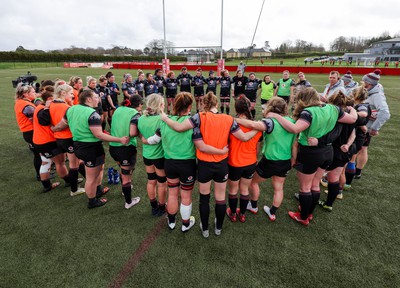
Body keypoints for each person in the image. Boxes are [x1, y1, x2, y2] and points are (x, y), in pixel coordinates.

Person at [160, 92, 258, 238]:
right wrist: (258, 128)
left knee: (204, 198)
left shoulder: (199, 117)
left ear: (204, 104)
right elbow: (243, 137)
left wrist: (164, 117)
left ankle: (205, 229)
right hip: (222, 165)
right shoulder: (228, 118)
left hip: (205, 165)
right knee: (220, 198)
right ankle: (218, 227)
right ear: (217, 104)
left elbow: (179, 127)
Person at [267, 87, 357, 225]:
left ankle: (303, 217)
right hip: (327, 151)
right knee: (315, 184)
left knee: (305, 187)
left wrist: (276, 116)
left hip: (310, 153)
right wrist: (352, 109)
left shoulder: (308, 112)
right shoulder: (334, 109)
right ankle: (308, 212)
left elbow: (295, 129)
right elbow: (352, 120)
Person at [143, 92, 228, 231]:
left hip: (169, 164)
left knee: (172, 193)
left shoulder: (165, 121)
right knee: (186, 195)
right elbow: (202, 144)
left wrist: (144, 140)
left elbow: (154, 140)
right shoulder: (194, 123)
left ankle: (171, 222)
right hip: (187, 165)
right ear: (189, 106)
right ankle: (185, 223)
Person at [52, 90, 129, 209]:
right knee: (91, 178)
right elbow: (99, 135)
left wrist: (53, 129)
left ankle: (98, 190)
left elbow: (62, 125)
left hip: (78, 146)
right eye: (96, 97)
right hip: (91, 149)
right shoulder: (92, 114)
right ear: (88, 99)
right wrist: (119, 139)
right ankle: (92, 201)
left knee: (99, 169)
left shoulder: (71, 109)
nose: (98, 99)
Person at [236, 97, 296, 221]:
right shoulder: (292, 122)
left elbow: (252, 124)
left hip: (270, 161)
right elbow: (295, 144)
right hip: (285, 160)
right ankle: (272, 212)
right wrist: (293, 160)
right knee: (278, 187)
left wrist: (232, 119)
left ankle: (253, 206)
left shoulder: (270, 121)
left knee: (252, 181)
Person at [226, 95, 262, 223]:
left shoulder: (231, 124)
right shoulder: (258, 126)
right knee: (244, 189)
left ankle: (233, 213)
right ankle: (242, 214)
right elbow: (258, 148)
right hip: (250, 162)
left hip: (234, 162)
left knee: (233, 190)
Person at [45, 84, 86, 196]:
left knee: (78, 161)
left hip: (59, 139)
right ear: (63, 93)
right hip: (67, 138)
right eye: (70, 93)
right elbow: (66, 124)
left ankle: (90, 179)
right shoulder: (65, 108)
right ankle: (74, 190)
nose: (72, 95)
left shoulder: (52, 104)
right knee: (74, 164)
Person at [354, 70, 390, 179]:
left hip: (365, 128)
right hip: (361, 125)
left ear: (368, 83)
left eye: (363, 82)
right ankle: (354, 169)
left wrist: (374, 128)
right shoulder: (372, 91)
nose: (362, 84)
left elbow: (385, 113)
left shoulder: (377, 95)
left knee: (361, 149)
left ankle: (357, 171)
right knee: (358, 148)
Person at [109, 95, 143, 209]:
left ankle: (125, 190)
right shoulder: (135, 113)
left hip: (113, 147)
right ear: (139, 104)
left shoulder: (118, 108)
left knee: (124, 171)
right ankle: (128, 202)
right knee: (126, 176)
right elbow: (133, 133)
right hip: (126, 148)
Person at [137, 94, 167, 216]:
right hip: (159, 156)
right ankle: (161, 206)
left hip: (147, 155)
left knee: (151, 181)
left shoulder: (141, 118)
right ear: (160, 105)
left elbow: (139, 133)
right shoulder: (162, 119)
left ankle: (153, 206)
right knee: (161, 183)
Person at [33, 88, 63, 192]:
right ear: (50, 99)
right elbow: (44, 121)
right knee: (60, 163)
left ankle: (47, 186)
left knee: (46, 162)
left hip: (38, 141)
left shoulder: (39, 107)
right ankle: (69, 180)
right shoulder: (43, 109)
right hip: (47, 141)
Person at [14, 83, 42, 181]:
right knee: (39, 155)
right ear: (26, 94)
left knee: (38, 154)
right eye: (33, 92)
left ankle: (41, 174)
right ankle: (41, 175)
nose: (35, 93)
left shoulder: (20, 102)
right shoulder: (26, 105)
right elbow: (36, 120)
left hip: (28, 133)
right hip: (31, 132)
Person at [344, 87, 370, 188]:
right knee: (352, 158)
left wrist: (348, 113)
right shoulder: (363, 105)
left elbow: (363, 114)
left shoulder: (362, 106)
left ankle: (346, 183)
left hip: (357, 136)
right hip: (359, 136)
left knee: (350, 159)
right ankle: (347, 183)